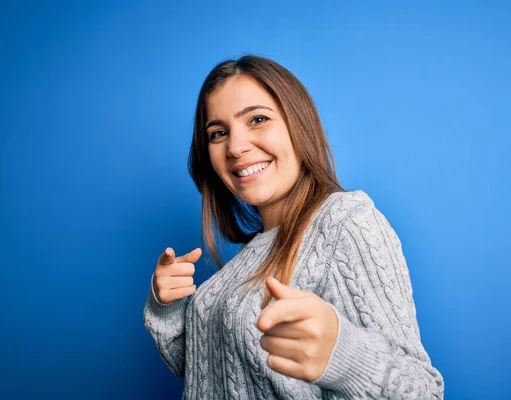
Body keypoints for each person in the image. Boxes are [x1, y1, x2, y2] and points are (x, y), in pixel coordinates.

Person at [143, 55, 444, 399]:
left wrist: (344, 354)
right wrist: (166, 307)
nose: (236, 147)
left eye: (257, 119)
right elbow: (212, 373)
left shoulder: (345, 221)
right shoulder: (250, 254)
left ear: (298, 124)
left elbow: (422, 391)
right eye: (218, 133)